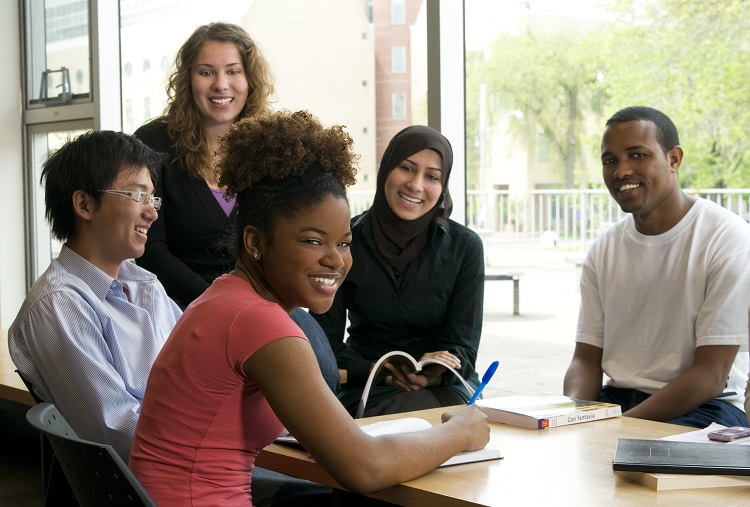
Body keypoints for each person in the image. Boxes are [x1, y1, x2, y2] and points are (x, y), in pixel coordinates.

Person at [129, 110, 490, 506]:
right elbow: (366, 467)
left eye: (345, 243)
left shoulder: (226, 297)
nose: (336, 260)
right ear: (254, 241)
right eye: (314, 241)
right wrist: (462, 431)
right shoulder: (261, 323)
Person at [132, 21, 339, 392]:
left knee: (320, 372)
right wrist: (216, 301)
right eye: (206, 72)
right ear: (187, 80)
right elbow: (151, 251)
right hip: (180, 300)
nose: (221, 85)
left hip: (263, 295)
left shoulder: (270, 147)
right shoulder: (153, 144)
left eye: (233, 71)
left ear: (250, 80)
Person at [563, 106, 750, 428]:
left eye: (637, 155)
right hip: (617, 400)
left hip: (706, 407)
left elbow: (711, 375)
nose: (621, 171)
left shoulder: (727, 237)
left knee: (625, 465)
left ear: (674, 159)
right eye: (610, 160)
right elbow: (585, 360)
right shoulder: (604, 248)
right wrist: (574, 416)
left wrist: (616, 429)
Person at [8, 130, 181, 461]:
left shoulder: (144, 284)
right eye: (138, 196)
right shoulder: (59, 304)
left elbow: (198, 370)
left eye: (153, 199)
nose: (153, 213)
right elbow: (119, 431)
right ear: (84, 204)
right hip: (163, 475)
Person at [312, 125, 485, 417]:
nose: (416, 185)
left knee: (415, 417)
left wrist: (433, 371)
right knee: (400, 421)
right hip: (367, 385)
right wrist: (381, 370)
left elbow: (463, 349)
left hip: (441, 389)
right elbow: (322, 342)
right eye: (406, 168)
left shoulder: (464, 247)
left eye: (432, 176)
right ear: (387, 170)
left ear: (443, 186)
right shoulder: (346, 242)